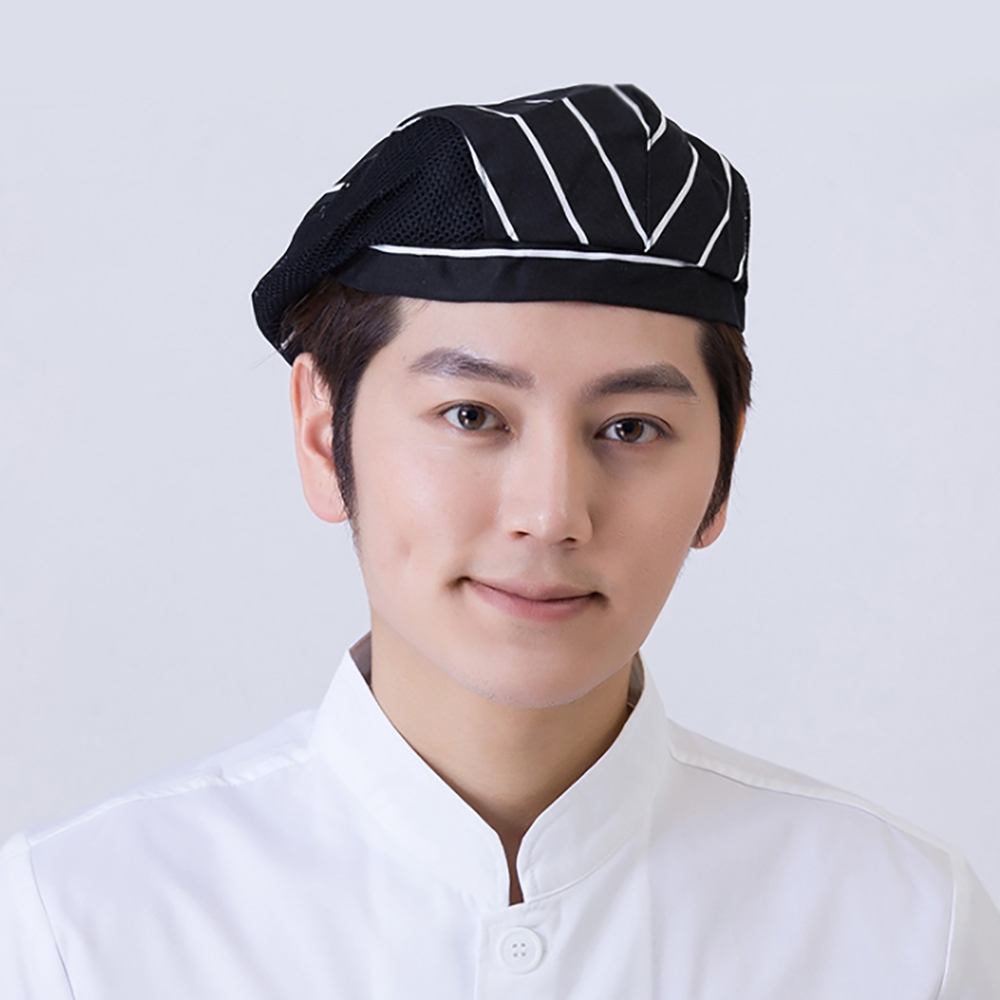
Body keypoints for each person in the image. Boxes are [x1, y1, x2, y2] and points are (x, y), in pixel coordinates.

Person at [1, 83, 997, 998]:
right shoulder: (79, 930)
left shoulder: (904, 931)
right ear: (321, 431)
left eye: (630, 428)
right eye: (472, 415)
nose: (551, 512)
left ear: (723, 465)